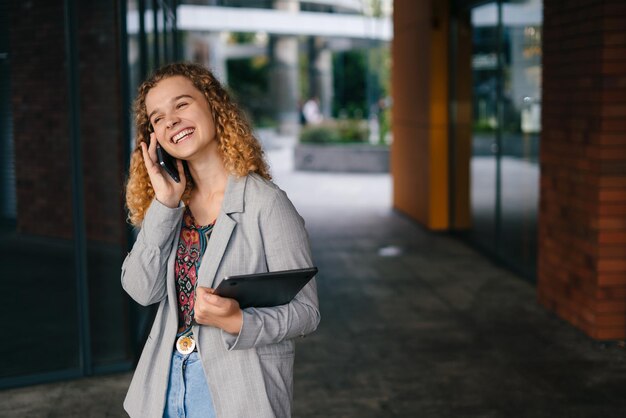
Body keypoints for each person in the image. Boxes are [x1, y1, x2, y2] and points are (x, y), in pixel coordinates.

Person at [122, 62, 320, 418]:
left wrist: (238, 321)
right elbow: (141, 290)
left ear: (213, 105)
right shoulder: (170, 206)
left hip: (235, 391)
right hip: (163, 385)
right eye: (157, 118)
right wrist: (165, 205)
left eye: (181, 104)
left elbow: (306, 313)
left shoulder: (267, 204)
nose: (171, 121)